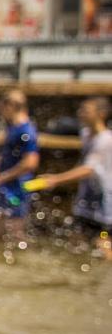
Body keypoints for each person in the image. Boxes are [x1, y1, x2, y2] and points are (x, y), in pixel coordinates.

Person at [28, 97, 112, 260]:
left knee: (103, 243)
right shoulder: (87, 134)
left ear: (101, 114)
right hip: (87, 202)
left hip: (105, 205)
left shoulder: (105, 140)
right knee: (76, 240)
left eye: (86, 111)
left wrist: (56, 179)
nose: (81, 114)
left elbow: (88, 169)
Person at [0, 88, 39, 244]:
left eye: (1, 107)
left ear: (11, 106)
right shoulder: (13, 127)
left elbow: (31, 162)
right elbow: (13, 153)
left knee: (16, 232)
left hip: (17, 188)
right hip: (6, 185)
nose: (0, 112)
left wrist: (4, 177)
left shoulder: (26, 131)